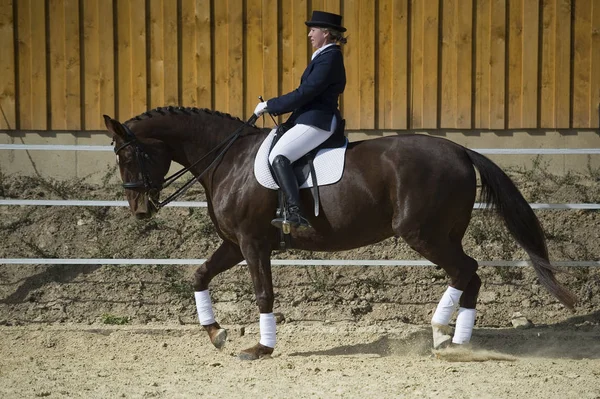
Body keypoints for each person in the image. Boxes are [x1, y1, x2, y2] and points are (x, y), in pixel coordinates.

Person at [254, 10, 347, 231]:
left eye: (312, 30)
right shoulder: (324, 56)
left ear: (326, 32)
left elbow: (306, 92)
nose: (309, 35)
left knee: (279, 156)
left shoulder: (330, 58)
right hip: (310, 118)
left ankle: (295, 212)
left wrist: (271, 105)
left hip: (317, 120)